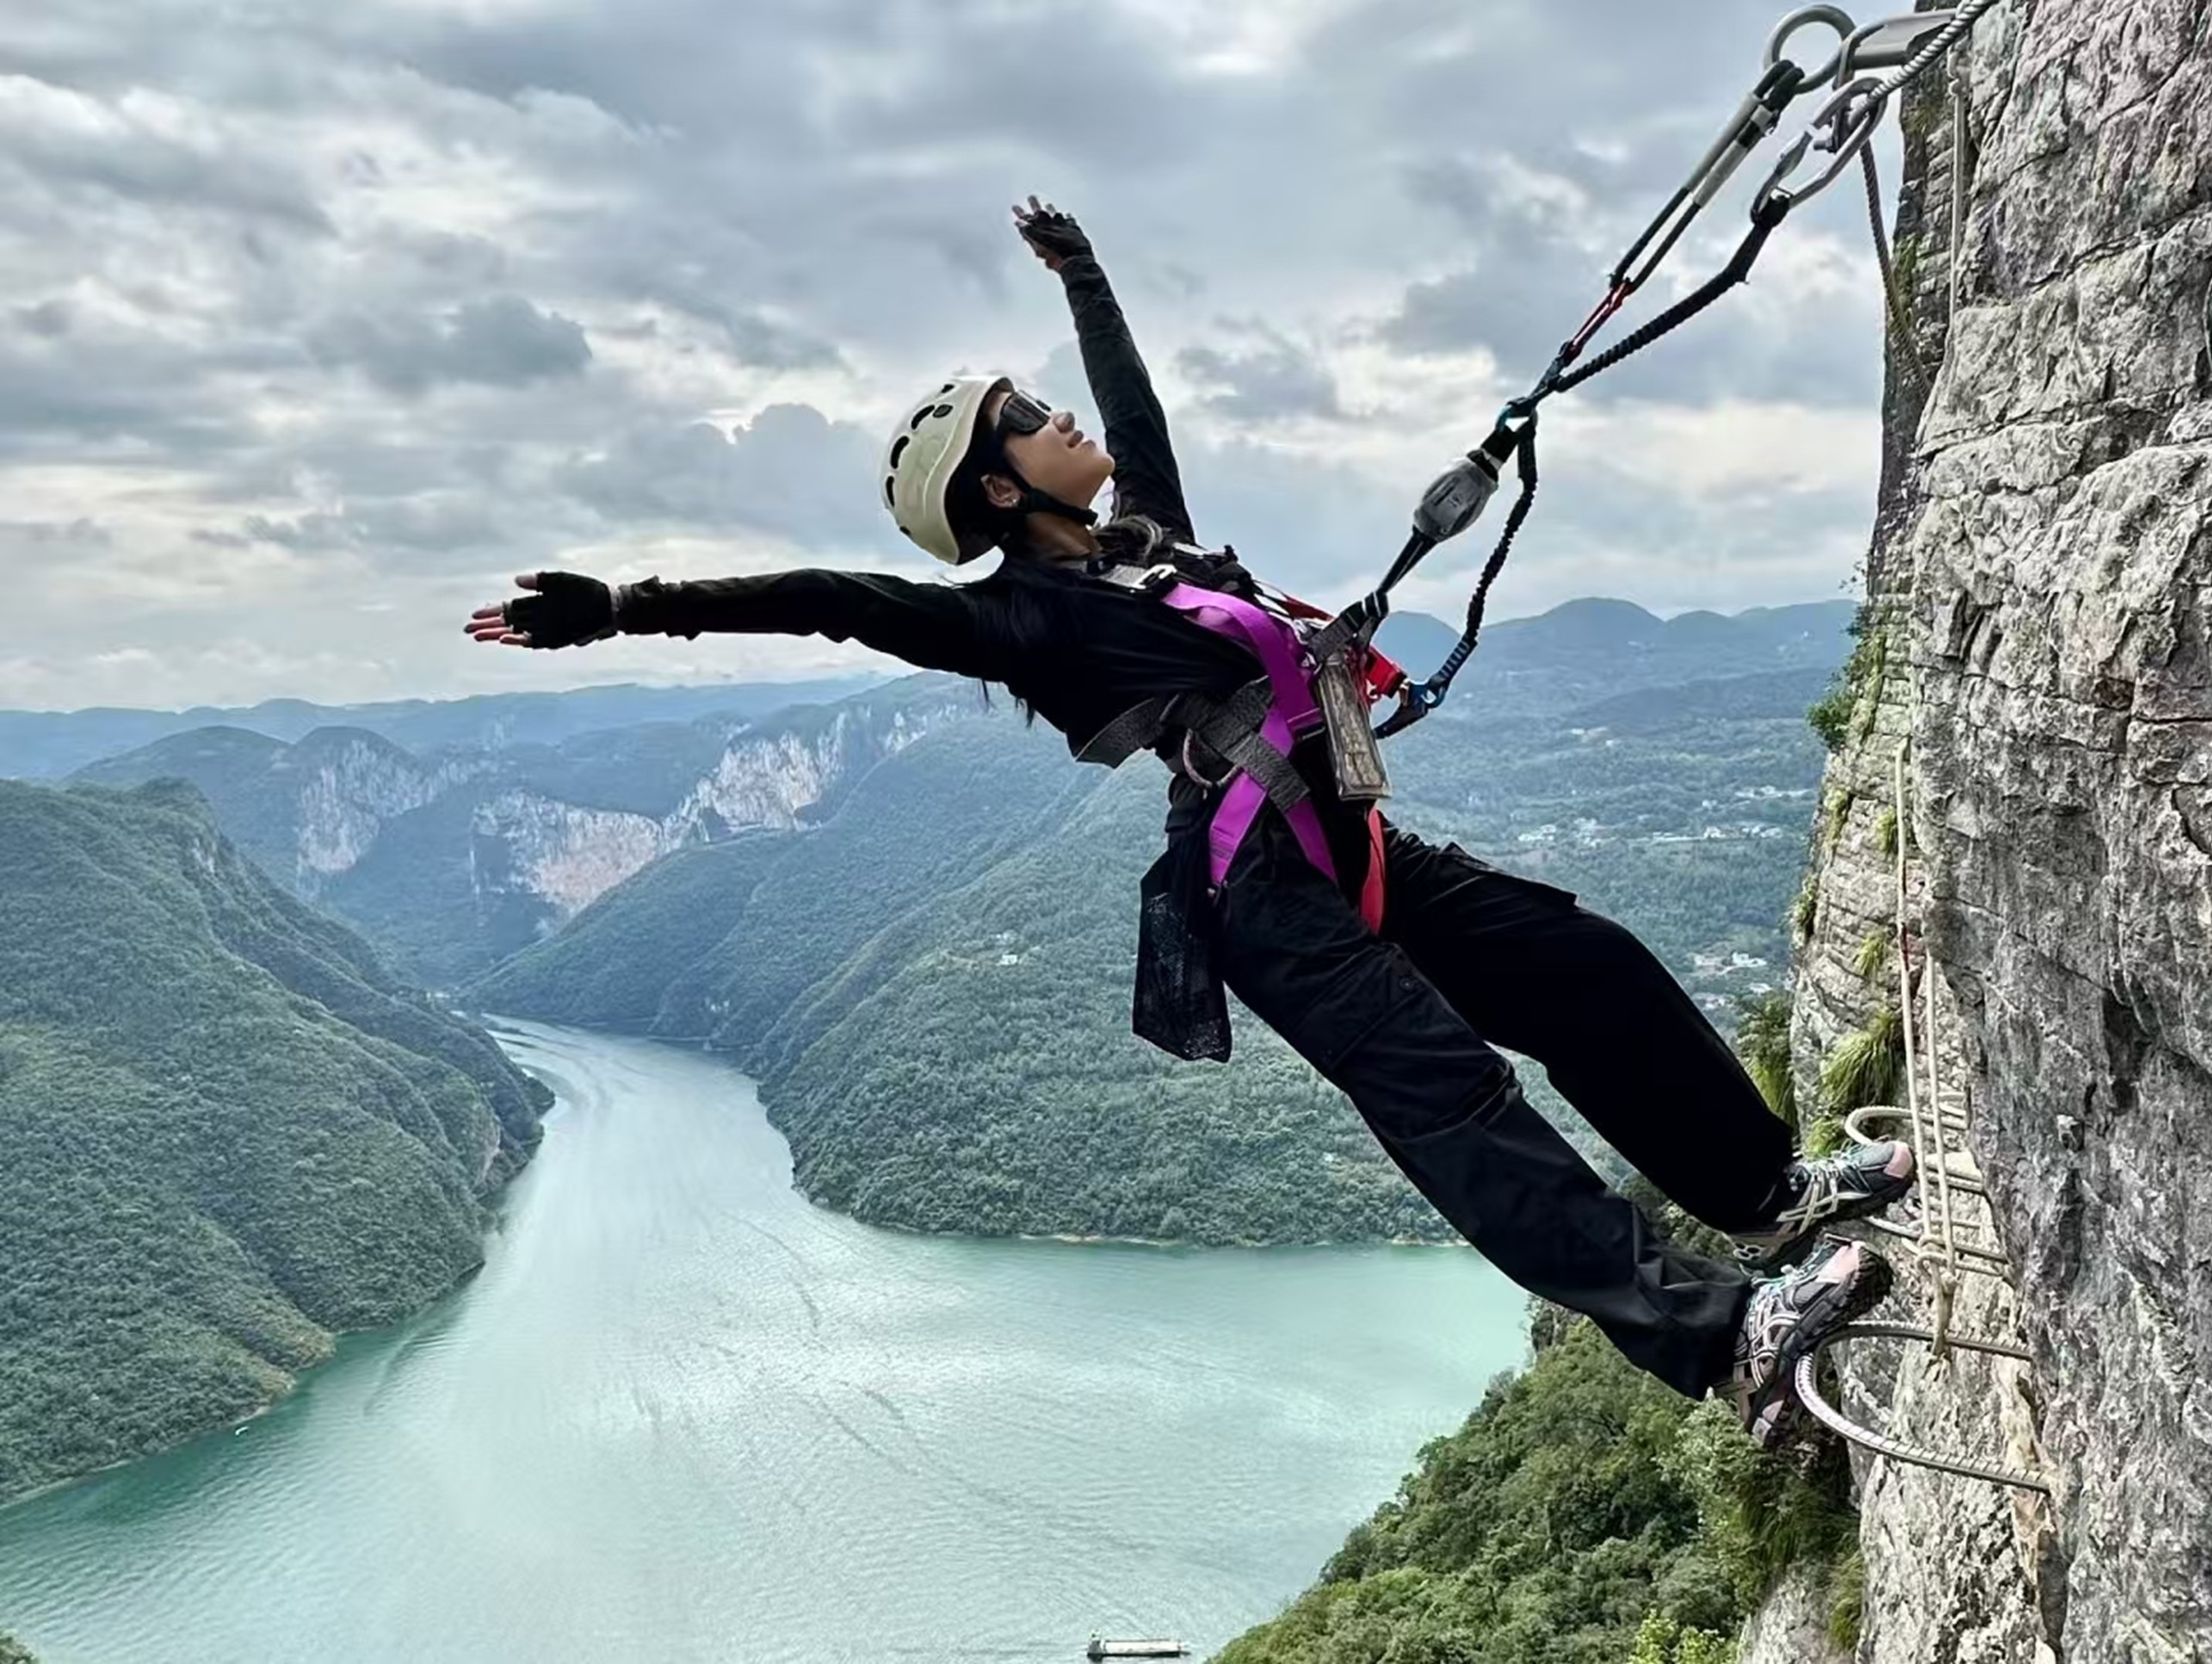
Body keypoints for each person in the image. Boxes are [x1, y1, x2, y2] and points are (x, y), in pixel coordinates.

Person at [466, 197, 1913, 1447]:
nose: (1067, 420)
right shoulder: (1023, 620)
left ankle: (1765, 1191)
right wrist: (626, 607)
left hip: (1338, 848)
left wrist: (1084, 276)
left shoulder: (1145, 548)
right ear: (994, 485)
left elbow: (1136, 410)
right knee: (1460, 1105)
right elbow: (827, 603)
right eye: (1032, 420)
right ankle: (1726, 1344)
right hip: (1267, 900)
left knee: (1578, 963)